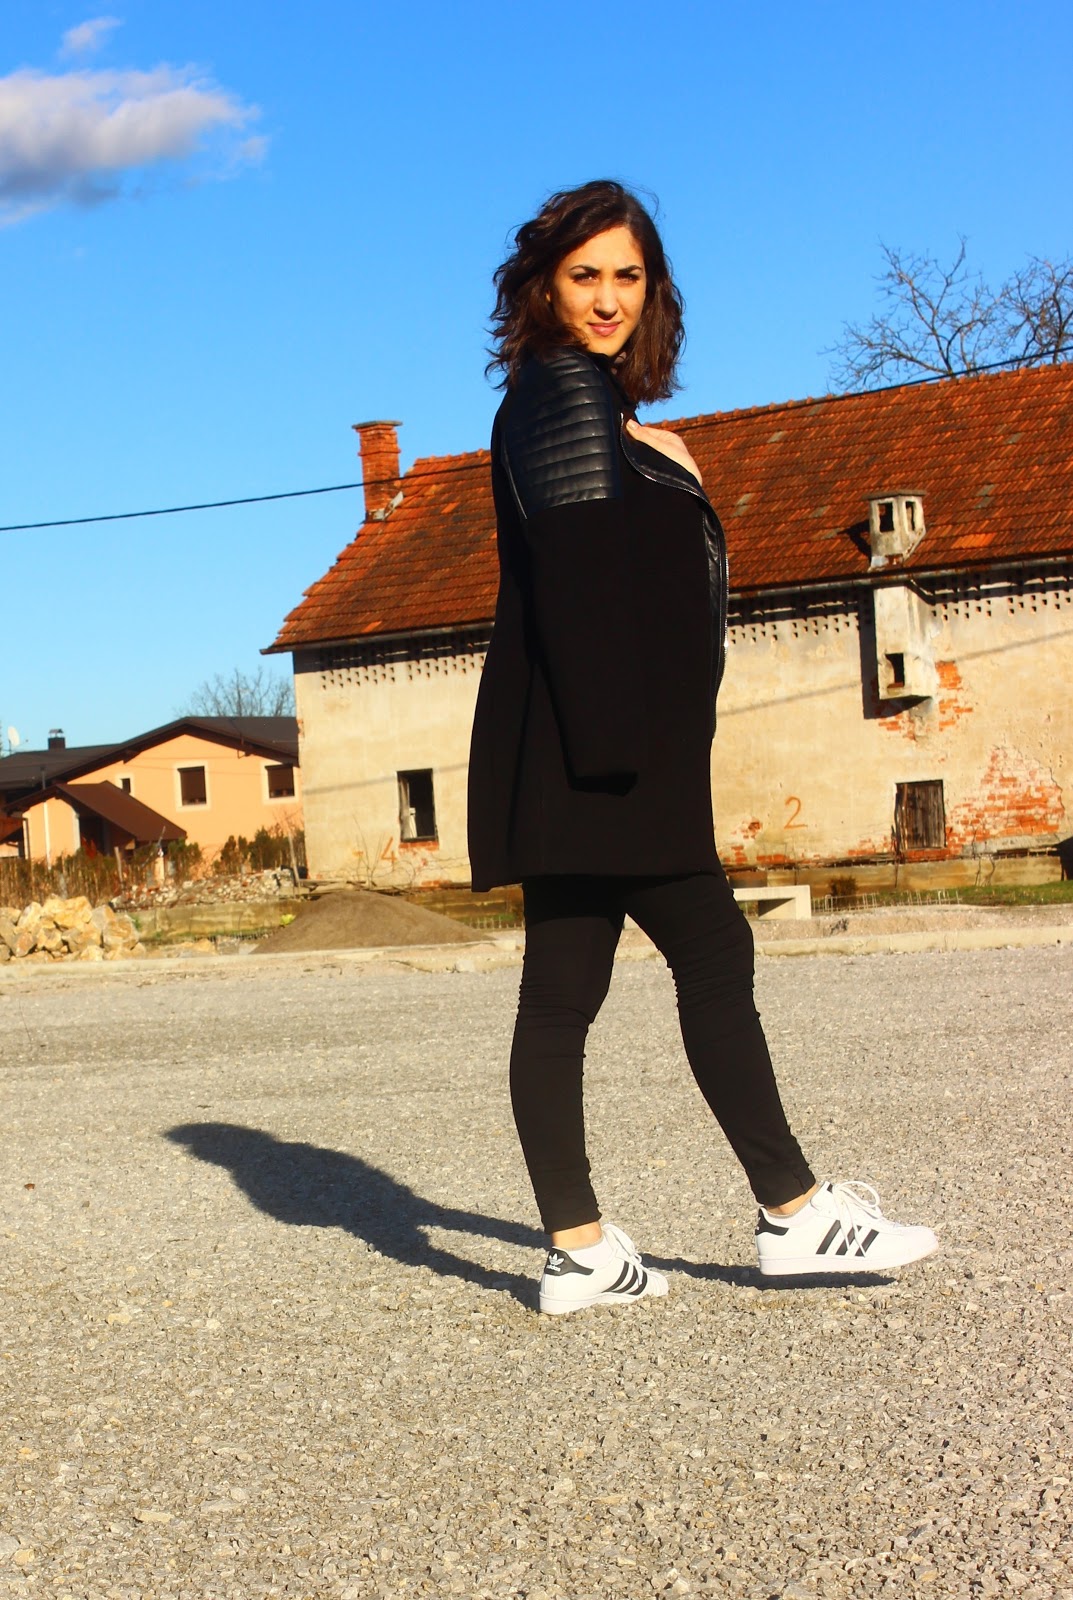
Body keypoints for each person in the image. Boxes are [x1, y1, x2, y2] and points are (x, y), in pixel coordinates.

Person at [468, 180, 937, 1315]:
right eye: (583, 275)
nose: (606, 298)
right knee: (712, 959)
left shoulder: (582, 404)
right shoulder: (562, 396)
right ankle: (793, 1213)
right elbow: (581, 584)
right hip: (610, 759)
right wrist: (631, 762)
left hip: (584, 755)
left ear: (654, 289)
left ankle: (581, 1252)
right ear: (542, 288)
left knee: (561, 996)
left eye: (626, 276)